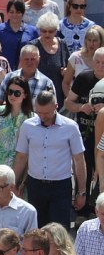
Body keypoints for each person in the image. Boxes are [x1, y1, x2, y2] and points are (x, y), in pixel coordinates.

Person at [16, 88, 88, 227]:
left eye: (47, 113)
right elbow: (21, 157)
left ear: (56, 106)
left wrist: (82, 192)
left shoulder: (71, 127)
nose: (42, 117)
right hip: (35, 186)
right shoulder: (28, 126)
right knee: (36, 230)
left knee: (59, 231)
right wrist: (14, 183)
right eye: (39, 112)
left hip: (60, 187)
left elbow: (79, 160)